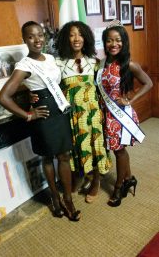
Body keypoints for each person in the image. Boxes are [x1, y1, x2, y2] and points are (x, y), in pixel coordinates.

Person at [0, 21, 81, 221]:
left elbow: (57, 82)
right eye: (31, 36)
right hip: (42, 115)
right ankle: (54, 196)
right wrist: (28, 114)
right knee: (47, 157)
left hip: (58, 110)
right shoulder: (24, 65)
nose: (37, 40)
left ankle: (67, 198)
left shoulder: (51, 58)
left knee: (64, 156)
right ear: (24, 39)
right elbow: (4, 97)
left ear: (45, 37)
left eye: (40, 35)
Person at [97, 20, 153, 207]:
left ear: (124, 42)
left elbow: (148, 83)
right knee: (118, 150)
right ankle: (129, 178)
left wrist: (130, 100)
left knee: (119, 152)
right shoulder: (102, 64)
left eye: (118, 40)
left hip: (119, 116)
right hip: (106, 113)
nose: (114, 44)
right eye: (109, 40)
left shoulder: (128, 64)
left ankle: (119, 186)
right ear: (104, 43)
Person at [55, 21, 112, 203]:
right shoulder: (58, 63)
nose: (76, 38)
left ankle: (95, 181)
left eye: (80, 34)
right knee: (78, 149)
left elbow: (105, 86)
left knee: (95, 147)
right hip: (72, 117)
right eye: (72, 34)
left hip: (93, 114)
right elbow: (50, 87)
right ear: (66, 38)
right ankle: (80, 177)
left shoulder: (94, 62)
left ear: (86, 37)